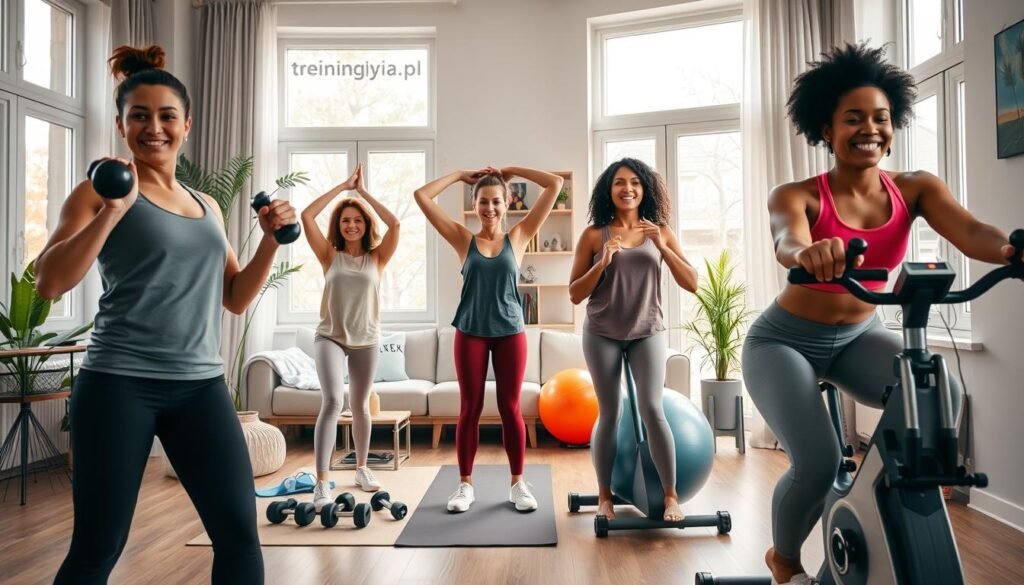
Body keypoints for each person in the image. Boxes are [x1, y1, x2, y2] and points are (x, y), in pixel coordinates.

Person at [745, 43, 1022, 585]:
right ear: (826, 129)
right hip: (783, 342)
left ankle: (878, 512)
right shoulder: (796, 194)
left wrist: (1011, 249)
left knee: (939, 391)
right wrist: (808, 253)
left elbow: (971, 232)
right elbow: (786, 240)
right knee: (819, 462)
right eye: (853, 118)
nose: (869, 128)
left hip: (859, 337)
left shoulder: (916, 188)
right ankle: (784, 559)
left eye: (881, 117)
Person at [36, 45, 296, 585]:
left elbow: (234, 297)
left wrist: (270, 242)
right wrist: (112, 211)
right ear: (121, 125)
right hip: (118, 384)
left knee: (240, 539)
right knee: (97, 547)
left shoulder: (207, 205)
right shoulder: (98, 192)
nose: (154, 128)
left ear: (186, 125)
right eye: (140, 116)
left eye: (166, 116)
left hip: (200, 387)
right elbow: (50, 281)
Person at [414, 166, 563, 513]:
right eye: (483, 201)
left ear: (507, 203)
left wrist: (510, 171)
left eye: (496, 201)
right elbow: (421, 196)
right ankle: (465, 486)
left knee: (511, 409)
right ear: (474, 203)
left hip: (511, 333)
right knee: (470, 409)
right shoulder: (462, 239)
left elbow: (554, 184)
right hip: (470, 333)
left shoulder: (520, 236)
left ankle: (518, 484)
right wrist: (458, 175)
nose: (490, 208)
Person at [568, 158, 698, 523]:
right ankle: (605, 496)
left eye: (635, 182)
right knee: (610, 413)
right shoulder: (594, 235)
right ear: (608, 190)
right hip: (602, 333)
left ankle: (671, 496)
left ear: (645, 189)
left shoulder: (661, 231)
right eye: (619, 182)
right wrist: (602, 263)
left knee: (653, 409)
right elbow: (575, 294)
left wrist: (662, 246)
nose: (627, 188)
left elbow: (691, 282)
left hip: (647, 331)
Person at [300, 162, 400, 509]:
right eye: (346, 220)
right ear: (339, 226)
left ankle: (361, 468)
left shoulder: (377, 258)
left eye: (358, 220)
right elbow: (306, 215)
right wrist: (343, 188)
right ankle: (321, 481)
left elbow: (395, 224)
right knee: (332, 401)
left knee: (360, 405)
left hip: (367, 339)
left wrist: (362, 193)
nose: (352, 225)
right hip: (330, 336)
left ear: (366, 224)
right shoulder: (329, 255)